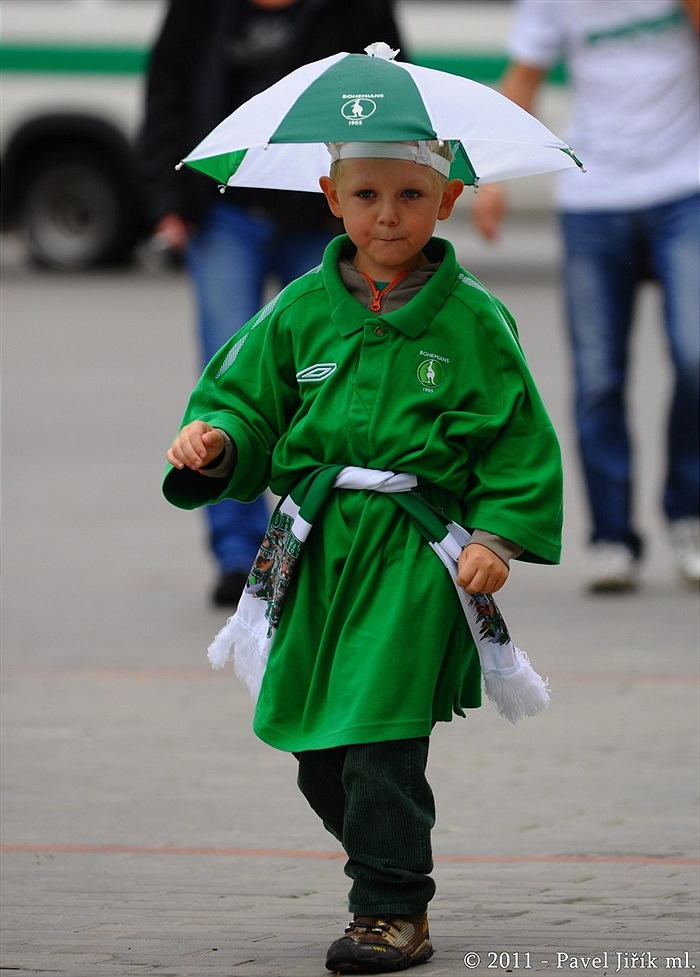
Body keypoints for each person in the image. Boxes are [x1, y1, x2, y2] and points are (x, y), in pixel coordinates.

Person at [163, 138, 563, 973]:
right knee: (320, 750)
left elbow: (519, 440)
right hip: (312, 549)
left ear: (448, 199)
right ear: (331, 196)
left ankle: (390, 908)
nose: (389, 214)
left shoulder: (476, 320)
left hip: (414, 555)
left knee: (380, 733)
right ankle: (393, 853)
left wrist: (496, 537)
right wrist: (216, 441)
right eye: (368, 194)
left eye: (412, 196)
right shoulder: (297, 308)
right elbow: (243, 403)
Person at [137, 0, 404, 606]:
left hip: (322, 213)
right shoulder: (199, 11)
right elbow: (168, 86)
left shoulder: (358, 7)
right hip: (224, 208)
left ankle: (320, 539)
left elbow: (395, 89)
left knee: (328, 375)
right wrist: (165, 196)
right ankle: (238, 554)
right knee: (231, 380)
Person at [472, 0, 700, 593]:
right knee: (599, 376)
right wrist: (488, 176)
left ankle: (689, 513)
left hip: (686, 187)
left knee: (696, 355)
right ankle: (612, 536)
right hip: (594, 198)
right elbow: (523, 79)